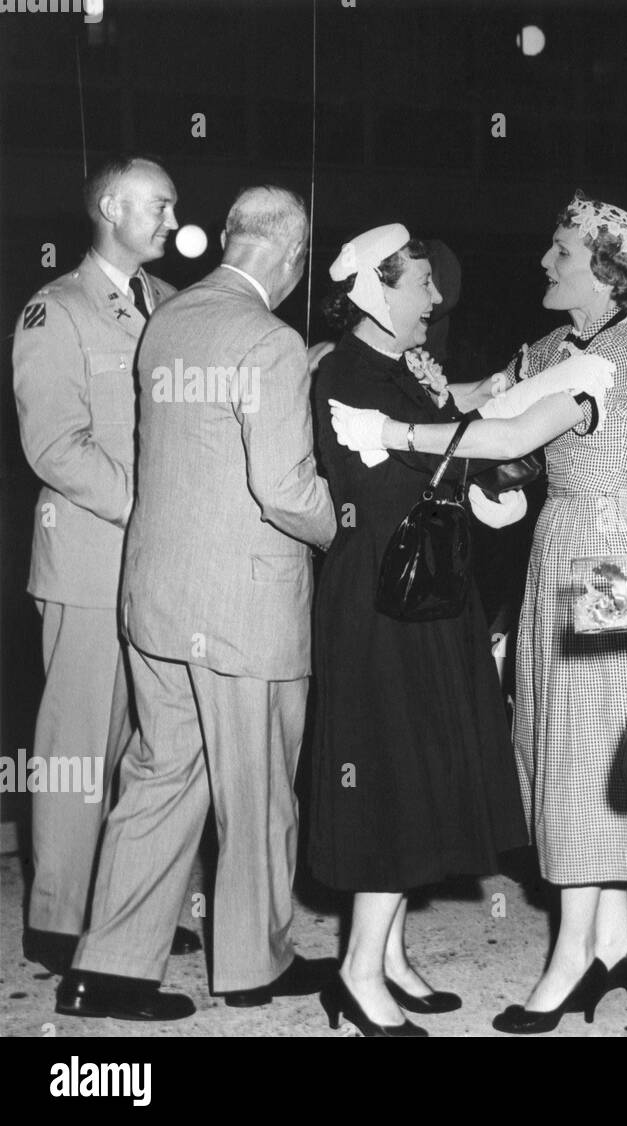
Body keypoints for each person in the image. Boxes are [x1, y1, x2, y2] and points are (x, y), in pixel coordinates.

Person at [330, 192, 627, 1034]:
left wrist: (389, 430)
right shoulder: (557, 345)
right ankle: (616, 943)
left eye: (560, 250)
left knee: (590, 756)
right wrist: (350, 365)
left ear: (602, 267)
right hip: (557, 550)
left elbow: (504, 437)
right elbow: (479, 400)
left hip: (608, 559)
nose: (544, 262)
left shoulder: (624, 357)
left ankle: (570, 965)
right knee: (571, 748)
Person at [56, 186, 338, 1022]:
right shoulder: (271, 338)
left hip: (157, 595)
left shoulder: (164, 325)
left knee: (158, 776)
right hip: (245, 606)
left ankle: (103, 971)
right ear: (292, 256)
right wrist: (341, 526)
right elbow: (284, 489)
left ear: (227, 238)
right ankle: (253, 965)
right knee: (256, 792)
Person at [308, 224, 535, 1037]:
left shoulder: (395, 368)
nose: (436, 299)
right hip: (382, 607)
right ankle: (357, 971)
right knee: (391, 782)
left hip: (427, 599)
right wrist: (497, 436)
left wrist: (494, 394)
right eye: (421, 285)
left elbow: (442, 422)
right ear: (377, 289)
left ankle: (392, 954)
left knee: (421, 774)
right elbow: (410, 466)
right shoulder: (344, 373)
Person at [12, 154, 200, 975]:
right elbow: (55, 445)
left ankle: (137, 908)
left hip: (158, 566)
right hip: (90, 563)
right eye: (157, 206)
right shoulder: (55, 311)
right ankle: (57, 919)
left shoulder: (168, 307)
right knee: (78, 746)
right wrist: (150, 503)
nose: (171, 220)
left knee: (154, 746)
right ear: (109, 207)